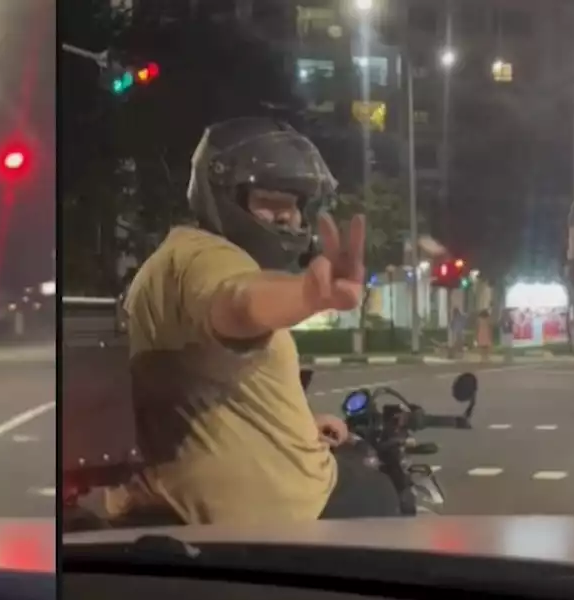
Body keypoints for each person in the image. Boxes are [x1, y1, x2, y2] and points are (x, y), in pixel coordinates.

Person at [100, 116, 400, 526]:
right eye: (269, 201)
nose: (286, 218)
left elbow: (217, 385)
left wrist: (303, 425)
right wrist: (309, 295)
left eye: (293, 205)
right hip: (279, 508)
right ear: (223, 196)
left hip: (198, 489)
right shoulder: (206, 256)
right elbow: (238, 303)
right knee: (383, 491)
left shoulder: (170, 261)